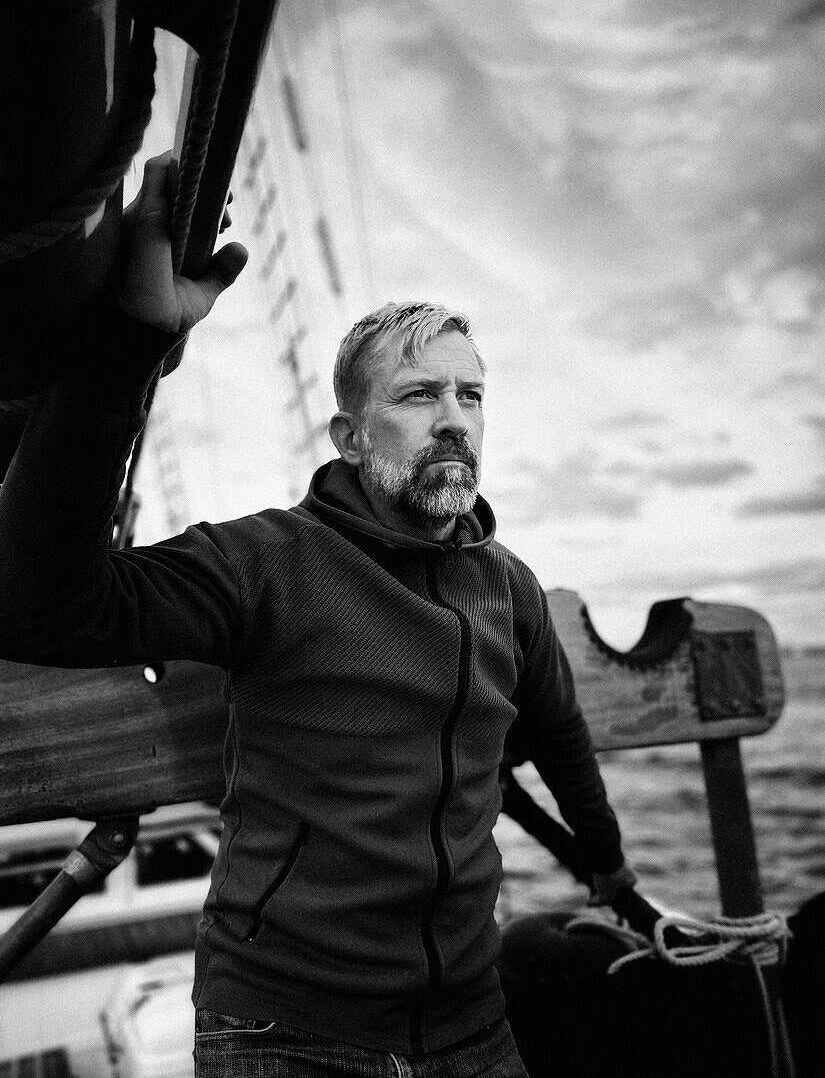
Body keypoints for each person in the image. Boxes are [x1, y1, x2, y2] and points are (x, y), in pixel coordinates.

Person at [0, 156, 636, 1077]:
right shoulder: (265, 563)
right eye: (419, 395)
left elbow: (557, 730)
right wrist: (120, 355)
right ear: (349, 436)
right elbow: (37, 608)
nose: (454, 419)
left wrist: (609, 868)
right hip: (287, 1027)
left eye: (470, 396)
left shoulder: (509, 587)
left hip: (469, 1019)